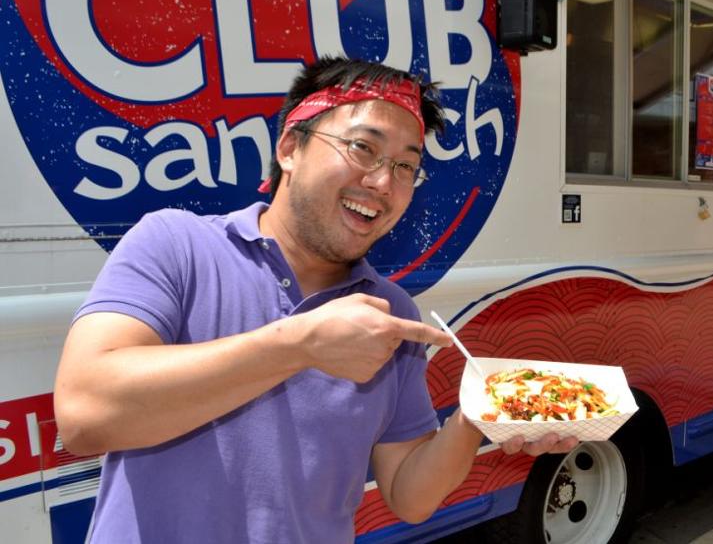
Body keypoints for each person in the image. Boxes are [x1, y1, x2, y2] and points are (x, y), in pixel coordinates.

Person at [54, 57, 578, 544]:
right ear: (290, 147)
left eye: (404, 167)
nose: (381, 182)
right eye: (363, 148)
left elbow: (410, 497)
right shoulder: (175, 244)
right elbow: (85, 416)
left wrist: (472, 419)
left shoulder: (390, 313)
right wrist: (300, 344)